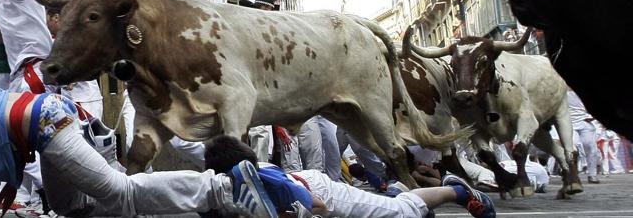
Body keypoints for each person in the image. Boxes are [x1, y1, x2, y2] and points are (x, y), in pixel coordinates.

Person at [0, 89, 277, 218]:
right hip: (46, 117)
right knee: (70, 206)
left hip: (44, 123)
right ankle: (152, 208)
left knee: (119, 191)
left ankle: (224, 189)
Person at [204, 136, 498, 218]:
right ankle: (397, 192)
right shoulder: (214, 193)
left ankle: (457, 192)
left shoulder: (272, 186)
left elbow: (317, 205)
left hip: (322, 193)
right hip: (306, 183)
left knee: (399, 213)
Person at [569, 90, 601, 183]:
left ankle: (592, 175)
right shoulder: (562, 90)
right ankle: (572, 174)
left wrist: (592, 116)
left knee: (591, 147)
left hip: (585, 122)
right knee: (574, 146)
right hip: (569, 123)